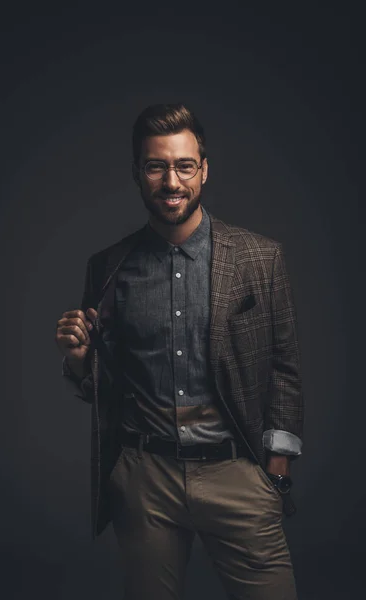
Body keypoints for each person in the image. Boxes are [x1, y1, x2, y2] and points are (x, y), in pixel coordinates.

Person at [55, 103, 304, 600]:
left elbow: (283, 368)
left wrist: (276, 472)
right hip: (146, 481)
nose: (172, 181)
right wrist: (80, 361)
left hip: (237, 473)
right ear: (137, 173)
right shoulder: (108, 267)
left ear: (203, 170)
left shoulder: (260, 257)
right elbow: (100, 385)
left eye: (184, 166)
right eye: (156, 166)